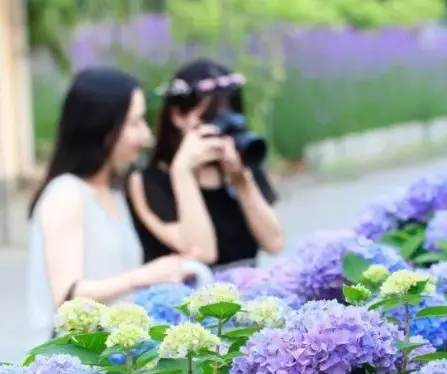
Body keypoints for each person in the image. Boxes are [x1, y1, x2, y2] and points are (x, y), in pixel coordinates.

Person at [27, 68, 198, 335]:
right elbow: (68, 297)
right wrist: (144, 277)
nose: (146, 136)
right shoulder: (67, 195)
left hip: (115, 362)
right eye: (135, 122)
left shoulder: (115, 191)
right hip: (75, 366)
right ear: (102, 128)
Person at [127, 58, 283, 270]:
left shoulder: (241, 165)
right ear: (177, 116)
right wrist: (182, 172)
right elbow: (201, 252)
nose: (221, 129)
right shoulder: (148, 182)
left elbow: (274, 243)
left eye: (231, 117)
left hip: (248, 294)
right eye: (210, 118)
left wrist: (241, 181)